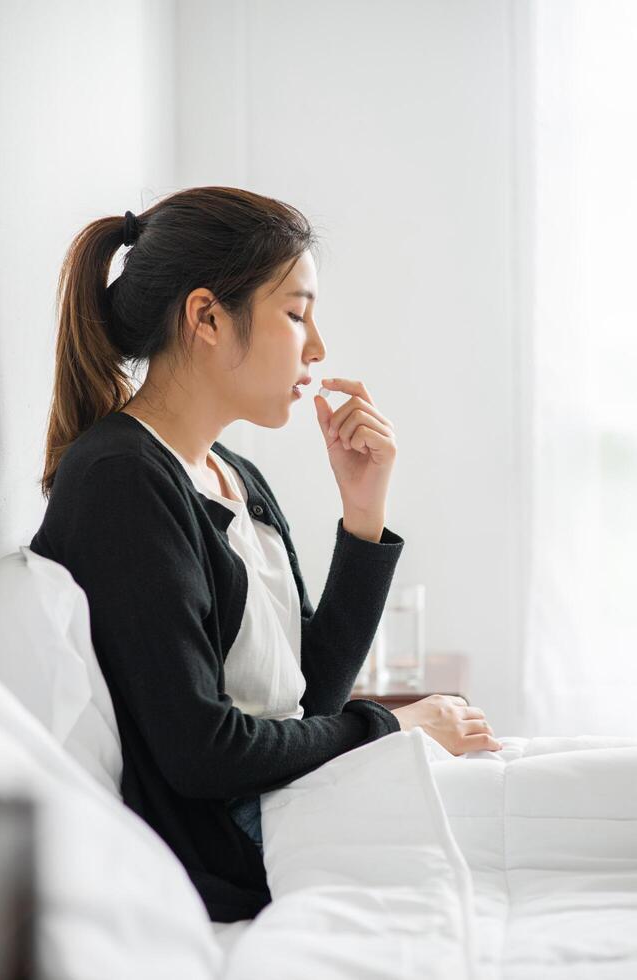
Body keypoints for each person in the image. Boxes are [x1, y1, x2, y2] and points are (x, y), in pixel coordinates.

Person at [29, 186, 501, 923]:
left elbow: (309, 696)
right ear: (207, 317)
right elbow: (203, 753)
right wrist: (395, 726)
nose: (316, 346)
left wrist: (364, 513)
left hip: (293, 810)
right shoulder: (121, 479)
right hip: (238, 851)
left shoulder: (232, 474)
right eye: (295, 311)